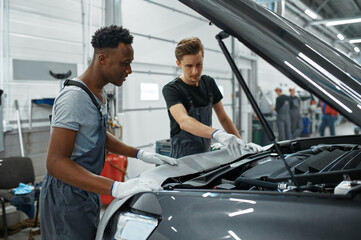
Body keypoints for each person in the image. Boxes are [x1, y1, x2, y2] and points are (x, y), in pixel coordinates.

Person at [39, 25, 177, 239]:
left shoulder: (99, 93)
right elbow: (56, 163)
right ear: (102, 59)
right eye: (125, 63)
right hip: (66, 194)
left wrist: (140, 154)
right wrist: (115, 187)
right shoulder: (74, 97)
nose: (129, 70)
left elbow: (97, 135)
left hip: (86, 187)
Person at [162, 37, 262, 159]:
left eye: (199, 64)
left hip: (206, 155)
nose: (195, 71)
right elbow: (184, 121)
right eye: (189, 66)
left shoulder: (208, 83)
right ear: (179, 64)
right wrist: (217, 134)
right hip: (182, 159)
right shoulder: (171, 89)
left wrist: (242, 145)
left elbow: (223, 118)